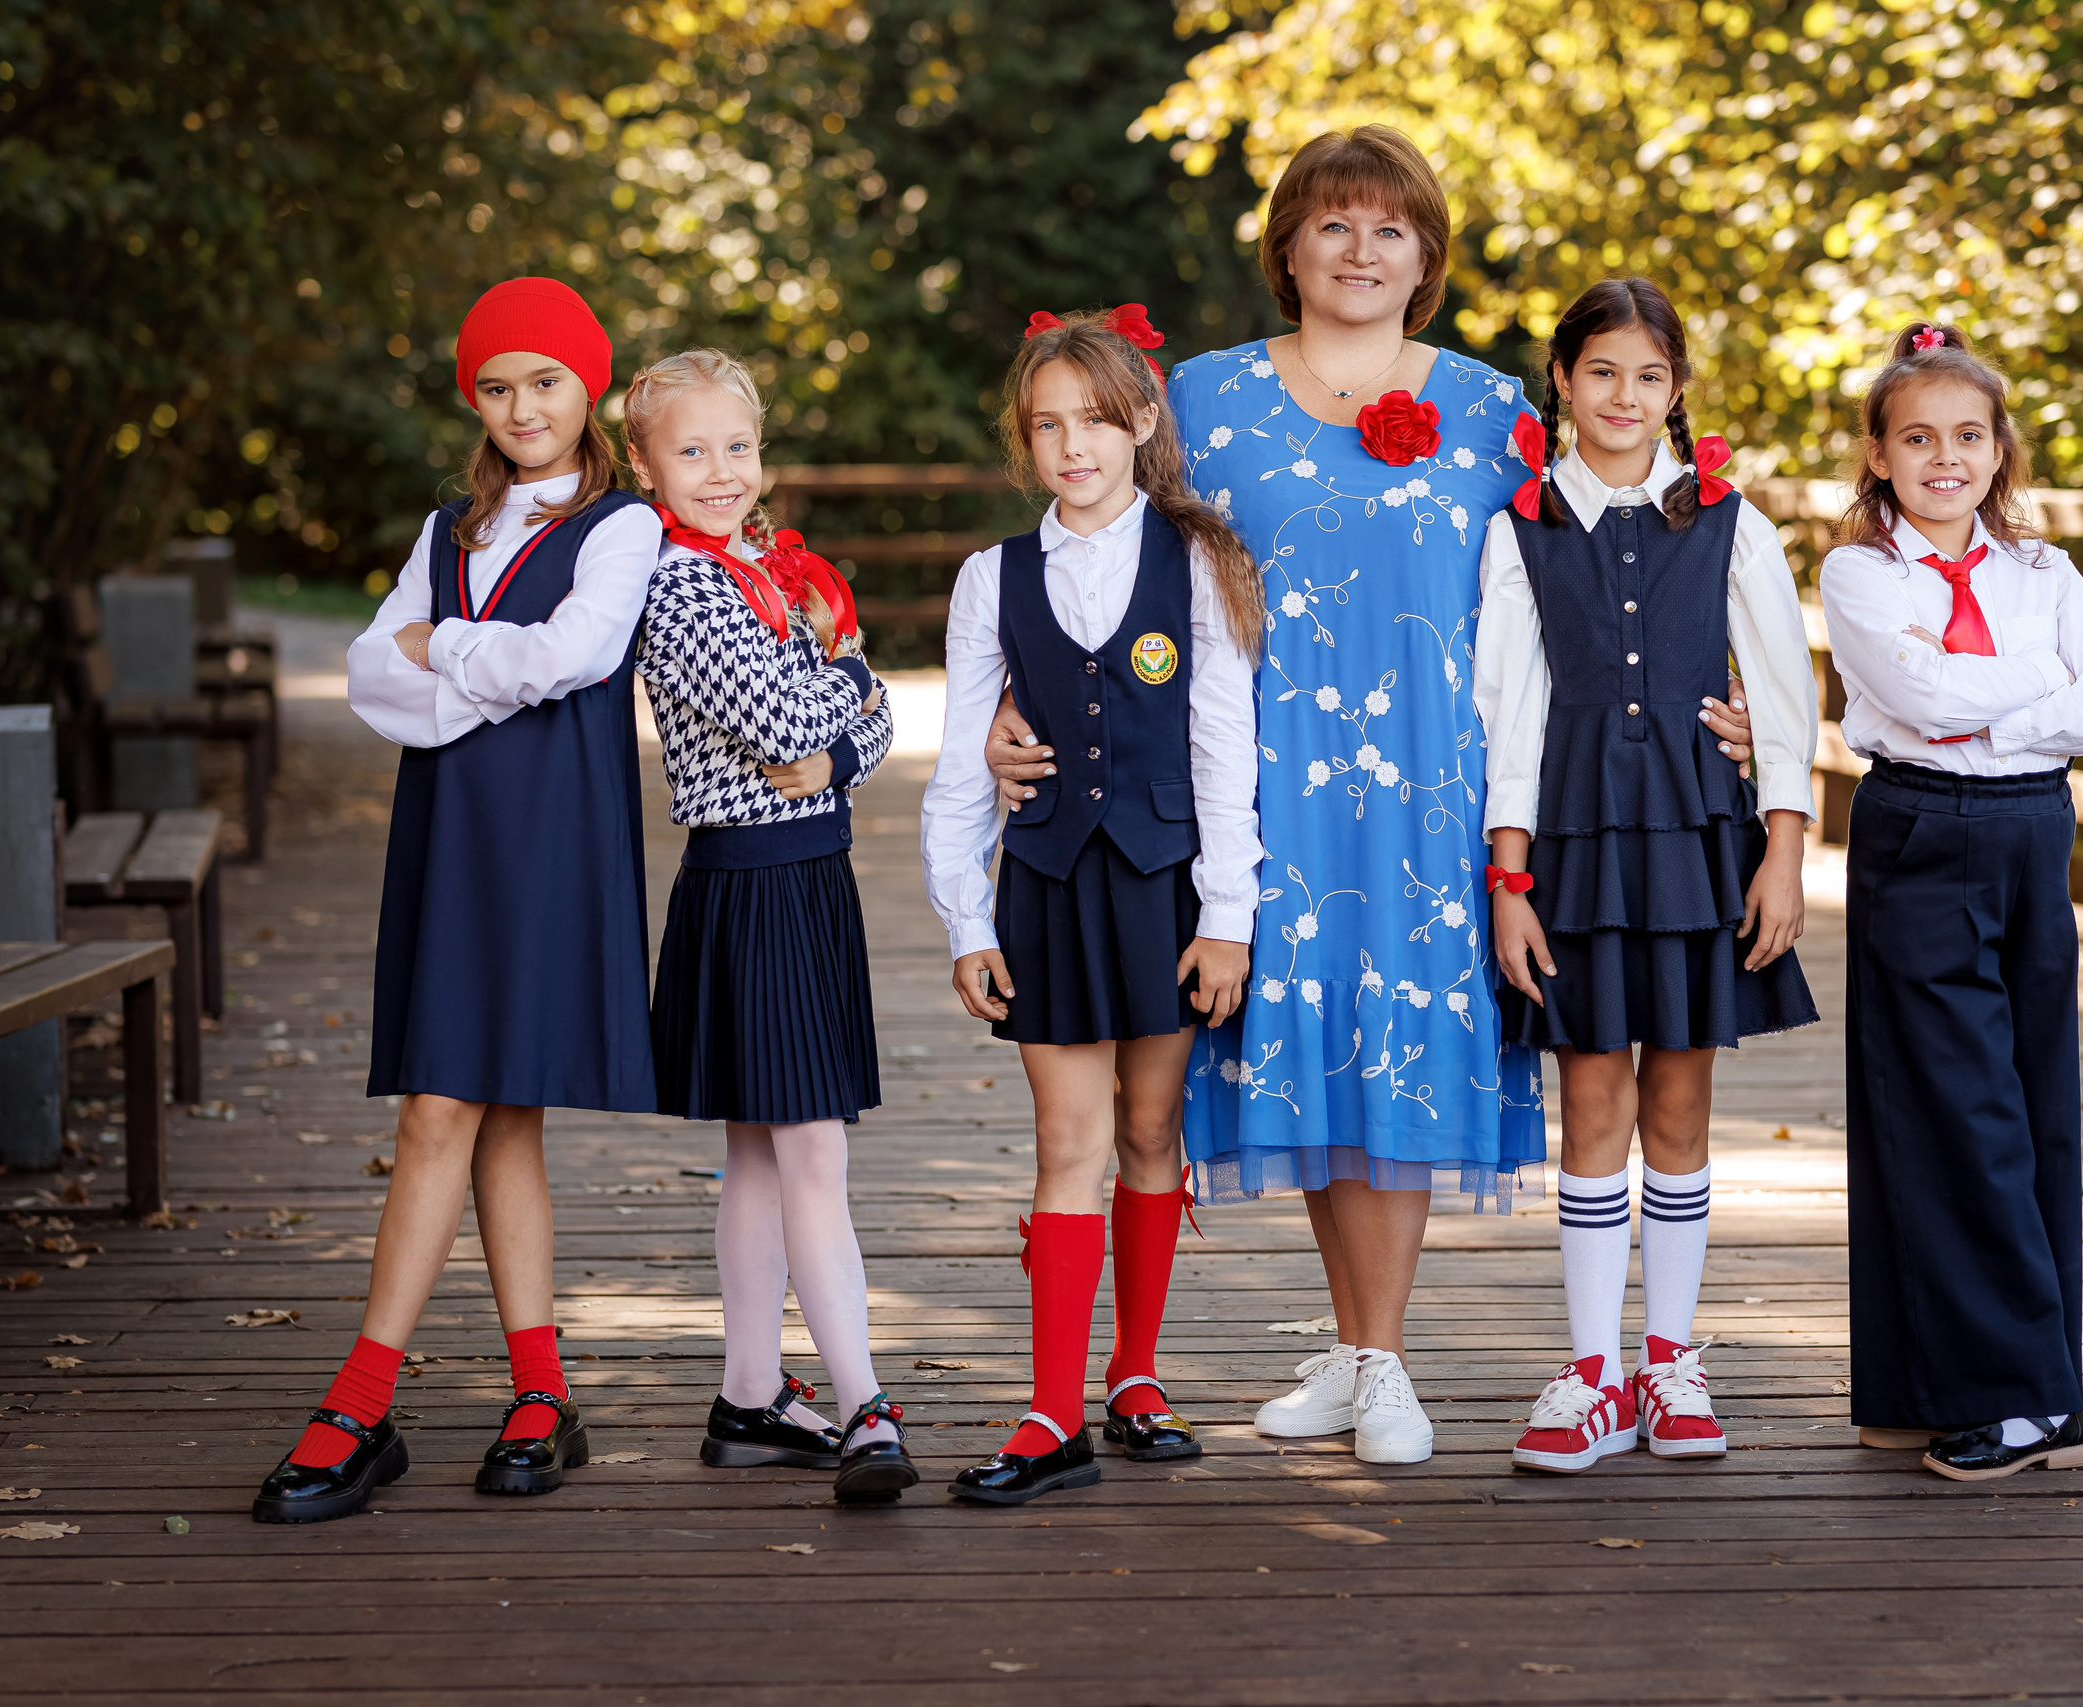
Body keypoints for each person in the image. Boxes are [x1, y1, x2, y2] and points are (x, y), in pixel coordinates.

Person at [988, 130, 1758, 1467]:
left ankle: (1389, 1355)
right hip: (1253, 781)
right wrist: (1024, 694)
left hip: (1431, 788)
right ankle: (1351, 1347)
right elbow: (1100, 550)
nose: (1358, 250)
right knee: (1309, 1046)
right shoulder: (1206, 401)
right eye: (1331, 226)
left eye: (1388, 229)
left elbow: (1597, 564)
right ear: (1285, 248)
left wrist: (1714, 696)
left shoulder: (1493, 404)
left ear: (1426, 257)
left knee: (1399, 1050)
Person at [256, 278, 663, 1523]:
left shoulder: (621, 525)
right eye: (496, 387)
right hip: (449, 839)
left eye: (545, 381)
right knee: (477, 1110)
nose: (522, 406)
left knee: (465, 1102)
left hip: (550, 838)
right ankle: (540, 1392)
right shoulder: (448, 530)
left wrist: (447, 653)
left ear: (586, 385)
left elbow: (573, 657)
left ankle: (361, 1401)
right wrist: (452, 662)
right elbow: (372, 673)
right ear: (471, 401)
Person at [1476, 279, 1820, 1474]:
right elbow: (1506, 711)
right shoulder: (1520, 529)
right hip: (1570, 845)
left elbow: (1783, 703)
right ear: (1562, 381)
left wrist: (1782, 850)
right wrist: (1508, 880)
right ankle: (1590, 1373)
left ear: (1676, 395)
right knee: (1590, 1107)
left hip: (1696, 839)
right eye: (1601, 372)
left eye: (1650, 377)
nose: (1624, 397)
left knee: (1678, 1105)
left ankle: (1669, 1359)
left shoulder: (1730, 523)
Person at [923, 307, 1264, 1504]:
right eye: (1047, 425)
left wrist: (1228, 912)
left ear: (1142, 424)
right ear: (1025, 443)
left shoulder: (1199, 560)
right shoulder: (992, 579)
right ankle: (1047, 1414)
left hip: (1166, 884)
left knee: (1147, 1135)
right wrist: (967, 919)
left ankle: (1134, 1377)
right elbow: (967, 756)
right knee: (1064, 1143)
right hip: (1052, 885)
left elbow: (1227, 745)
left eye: (1095, 420)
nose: (1074, 445)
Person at [1817, 321, 2083, 1481]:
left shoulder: (2044, 571)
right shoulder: (1857, 572)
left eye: (1966, 435)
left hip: (2029, 830)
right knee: (1939, 1108)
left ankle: (2035, 1394)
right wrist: (2035, 683)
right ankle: (1941, 1386)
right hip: (1921, 832)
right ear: (1878, 453)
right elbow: (1914, 692)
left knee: (2028, 1103)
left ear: (2000, 450)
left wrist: (1985, 705)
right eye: (1916, 438)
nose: (1943, 458)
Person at [624, 349, 915, 1504]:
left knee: (759, 1149)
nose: (720, 470)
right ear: (645, 467)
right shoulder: (681, 585)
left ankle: (750, 1396)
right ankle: (861, 1404)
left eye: (736, 447)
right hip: (748, 884)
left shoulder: (759, 569)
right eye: (690, 451)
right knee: (811, 1151)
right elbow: (788, 712)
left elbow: (851, 724)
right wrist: (849, 692)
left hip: (811, 872)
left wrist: (840, 725)